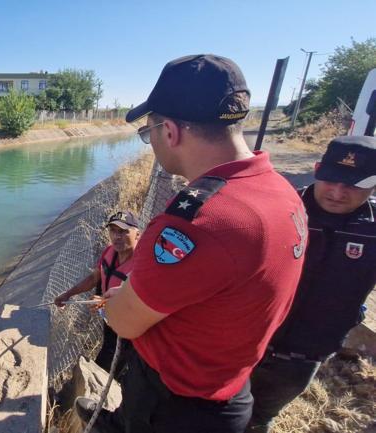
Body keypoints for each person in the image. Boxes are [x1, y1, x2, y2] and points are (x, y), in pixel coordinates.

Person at [75, 54, 307, 433]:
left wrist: (120, 296)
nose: (150, 142)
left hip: (174, 406)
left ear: (170, 131)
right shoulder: (281, 191)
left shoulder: (200, 222)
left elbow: (125, 322)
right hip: (227, 384)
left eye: (147, 131)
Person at [247, 135, 376, 432]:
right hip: (247, 343)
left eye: (354, 184)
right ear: (318, 170)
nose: (339, 192)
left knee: (259, 418)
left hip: (304, 357)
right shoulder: (280, 210)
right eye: (332, 179)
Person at [54, 210, 140, 372]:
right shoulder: (109, 252)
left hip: (130, 329)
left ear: (137, 234)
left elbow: (140, 299)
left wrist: (105, 302)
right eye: (113, 231)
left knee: (116, 364)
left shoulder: (144, 263)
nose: (117, 236)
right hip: (110, 319)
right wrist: (68, 294)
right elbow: (94, 279)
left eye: (123, 231)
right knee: (108, 348)